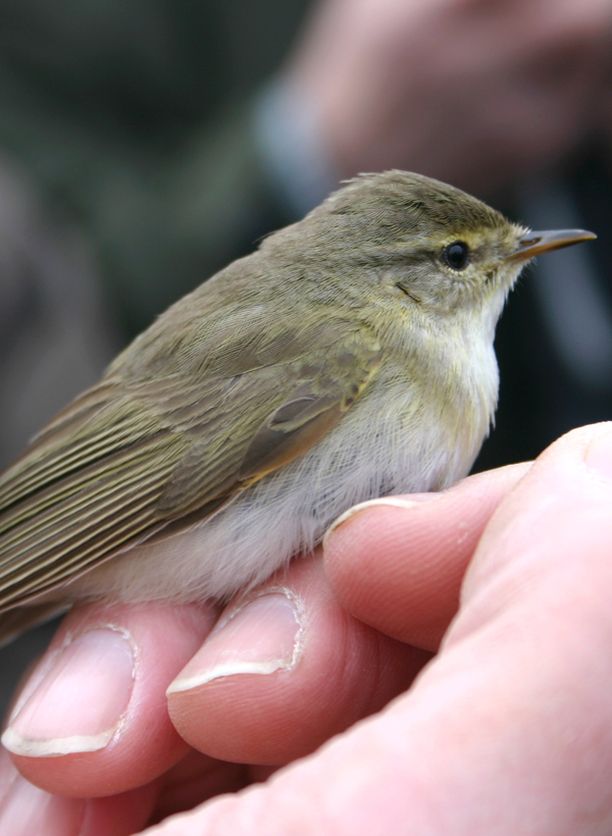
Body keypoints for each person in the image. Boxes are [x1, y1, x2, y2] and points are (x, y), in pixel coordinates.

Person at [2, 0, 612, 831]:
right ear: (397, 284)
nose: (500, 262)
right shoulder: (344, 346)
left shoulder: (422, 357)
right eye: (462, 257)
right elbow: (144, 470)